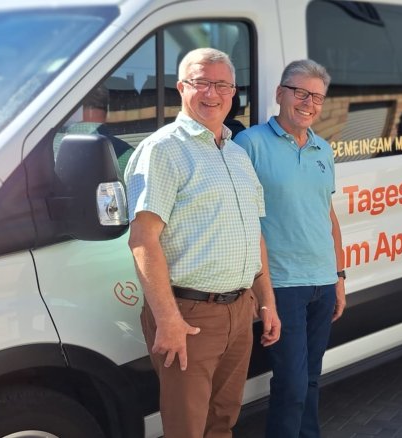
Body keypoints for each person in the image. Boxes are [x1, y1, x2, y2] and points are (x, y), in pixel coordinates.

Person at [125, 47, 280, 438]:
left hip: (239, 311)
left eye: (222, 84)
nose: (212, 93)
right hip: (190, 316)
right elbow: (143, 240)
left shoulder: (236, 153)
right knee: (187, 429)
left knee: (223, 421)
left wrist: (267, 302)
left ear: (233, 92)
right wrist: (168, 320)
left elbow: (253, 234)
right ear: (181, 87)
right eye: (201, 82)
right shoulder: (162, 150)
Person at [233, 59, 345, 438]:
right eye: (300, 92)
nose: (308, 103)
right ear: (280, 93)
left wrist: (340, 277)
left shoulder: (322, 149)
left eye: (317, 97)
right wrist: (258, 290)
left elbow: (327, 216)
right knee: (292, 384)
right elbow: (243, 221)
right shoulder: (249, 144)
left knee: (312, 379)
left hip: (322, 281)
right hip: (282, 285)